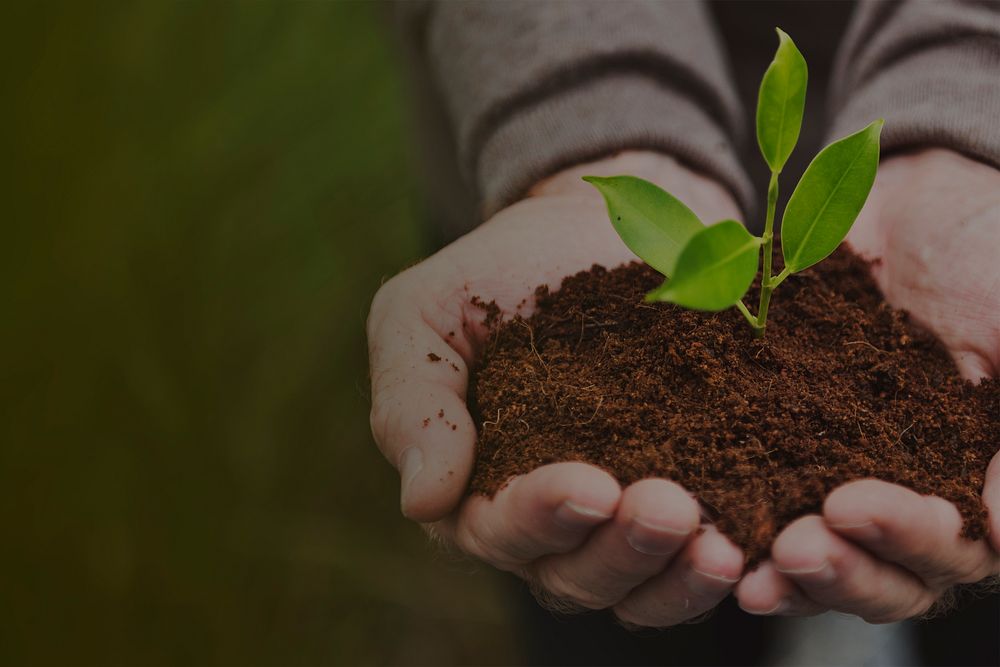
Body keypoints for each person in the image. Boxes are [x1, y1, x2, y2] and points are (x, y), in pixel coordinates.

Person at [369, 1, 1000, 664]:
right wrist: (585, 107)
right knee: (618, 589)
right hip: (522, 111)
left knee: (971, 607)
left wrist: (970, 98)